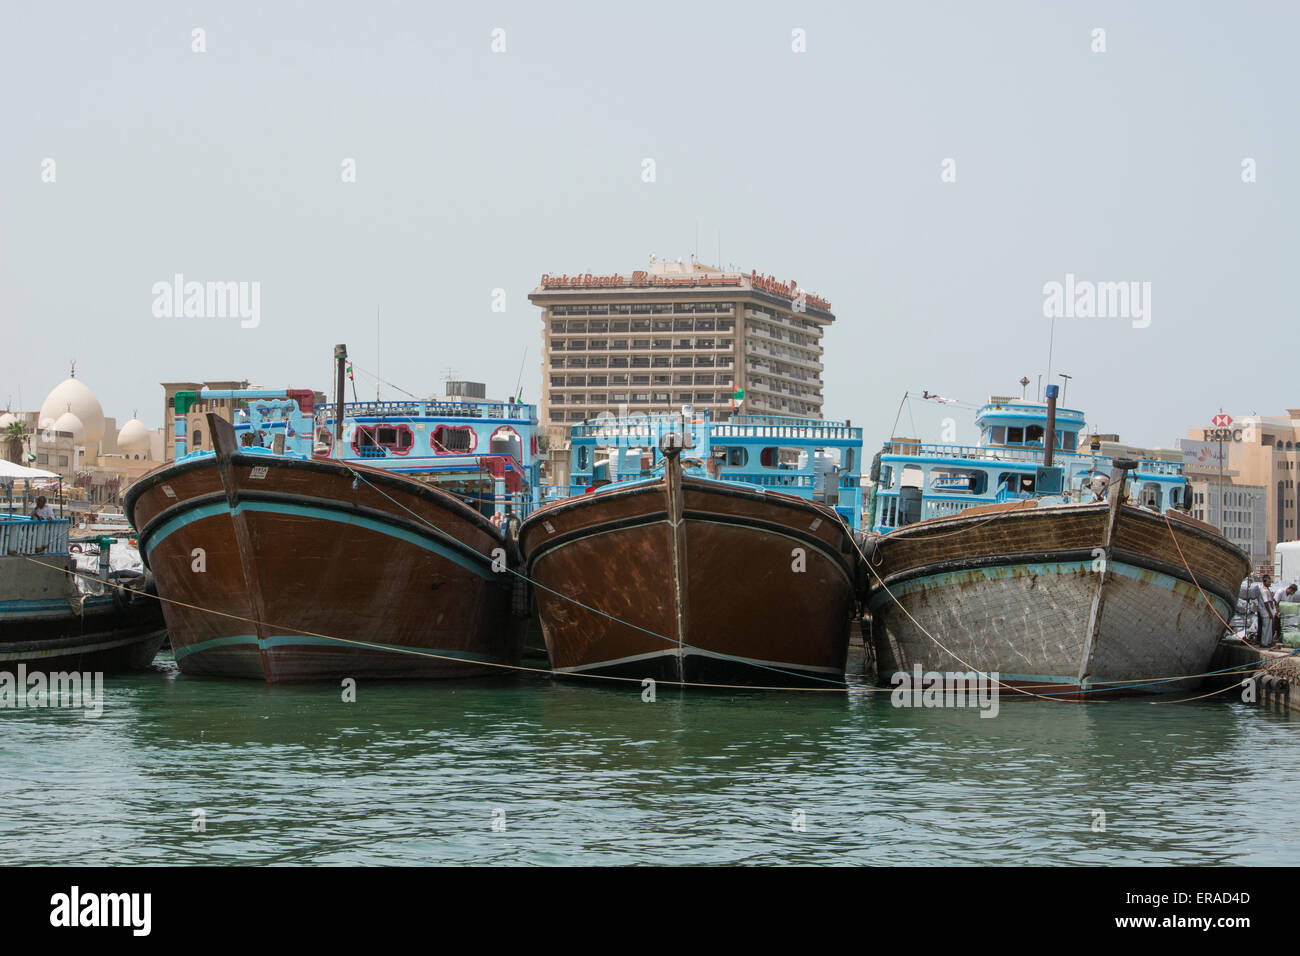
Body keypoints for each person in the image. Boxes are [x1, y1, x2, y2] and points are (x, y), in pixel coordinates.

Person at [1250, 574, 1279, 647]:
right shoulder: (1263, 590)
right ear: (1264, 582)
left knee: (1269, 628)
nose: (1270, 583)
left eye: (1270, 582)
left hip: (1269, 611)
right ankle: (1263, 643)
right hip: (1265, 611)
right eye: (1268, 582)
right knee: (1265, 628)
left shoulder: (1267, 589)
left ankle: (1268, 642)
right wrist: (1270, 613)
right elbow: (1266, 603)